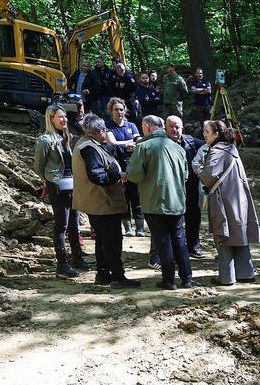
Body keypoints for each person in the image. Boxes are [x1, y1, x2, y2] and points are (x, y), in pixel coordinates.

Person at [127, 114, 193, 290]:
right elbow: (185, 175)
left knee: (163, 242)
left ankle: (169, 280)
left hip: (154, 202)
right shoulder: (178, 147)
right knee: (179, 240)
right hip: (177, 202)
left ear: (147, 127)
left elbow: (134, 175)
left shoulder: (143, 146)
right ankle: (187, 278)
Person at [71, 115, 138, 288]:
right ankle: (117, 277)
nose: (106, 133)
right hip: (101, 202)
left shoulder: (88, 144)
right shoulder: (89, 148)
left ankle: (103, 274)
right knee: (112, 241)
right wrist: (118, 175)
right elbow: (97, 175)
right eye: (105, 131)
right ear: (99, 131)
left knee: (102, 240)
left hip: (97, 202)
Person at [197, 120, 260, 285]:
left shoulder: (217, 151)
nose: (204, 134)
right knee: (240, 234)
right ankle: (246, 273)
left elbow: (209, 176)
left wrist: (197, 168)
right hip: (239, 199)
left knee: (224, 235)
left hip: (224, 199)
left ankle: (226, 277)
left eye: (207, 131)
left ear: (216, 134)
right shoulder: (232, 149)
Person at [33, 105, 88, 278]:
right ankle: (62, 264)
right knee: (61, 225)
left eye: (65, 117)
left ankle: (77, 258)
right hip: (57, 185)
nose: (64, 120)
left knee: (74, 223)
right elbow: (38, 166)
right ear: (51, 119)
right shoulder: (45, 140)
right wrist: (48, 182)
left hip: (73, 185)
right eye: (60, 117)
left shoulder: (66, 137)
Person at [104, 98, 145, 240]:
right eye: (116, 109)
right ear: (111, 111)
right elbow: (111, 142)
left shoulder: (132, 125)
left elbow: (139, 140)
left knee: (137, 197)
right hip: (117, 165)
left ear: (125, 110)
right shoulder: (108, 125)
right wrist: (128, 143)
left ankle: (140, 227)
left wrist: (133, 143)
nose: (119, 112)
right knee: (123, 197)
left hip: (133, 165)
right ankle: (127, 227)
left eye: (121, 109)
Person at [167, 115, 205, 258]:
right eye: (171, 126)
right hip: (171, 189)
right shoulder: (162, 143)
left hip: (191, 187)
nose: (174, 130)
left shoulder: (191, 141)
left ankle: (193, 247)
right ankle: (174, 249)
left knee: (194, 217)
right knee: (173, 221)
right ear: (166, 127)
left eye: (177, 127)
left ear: (182, 128)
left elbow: (210, 145)